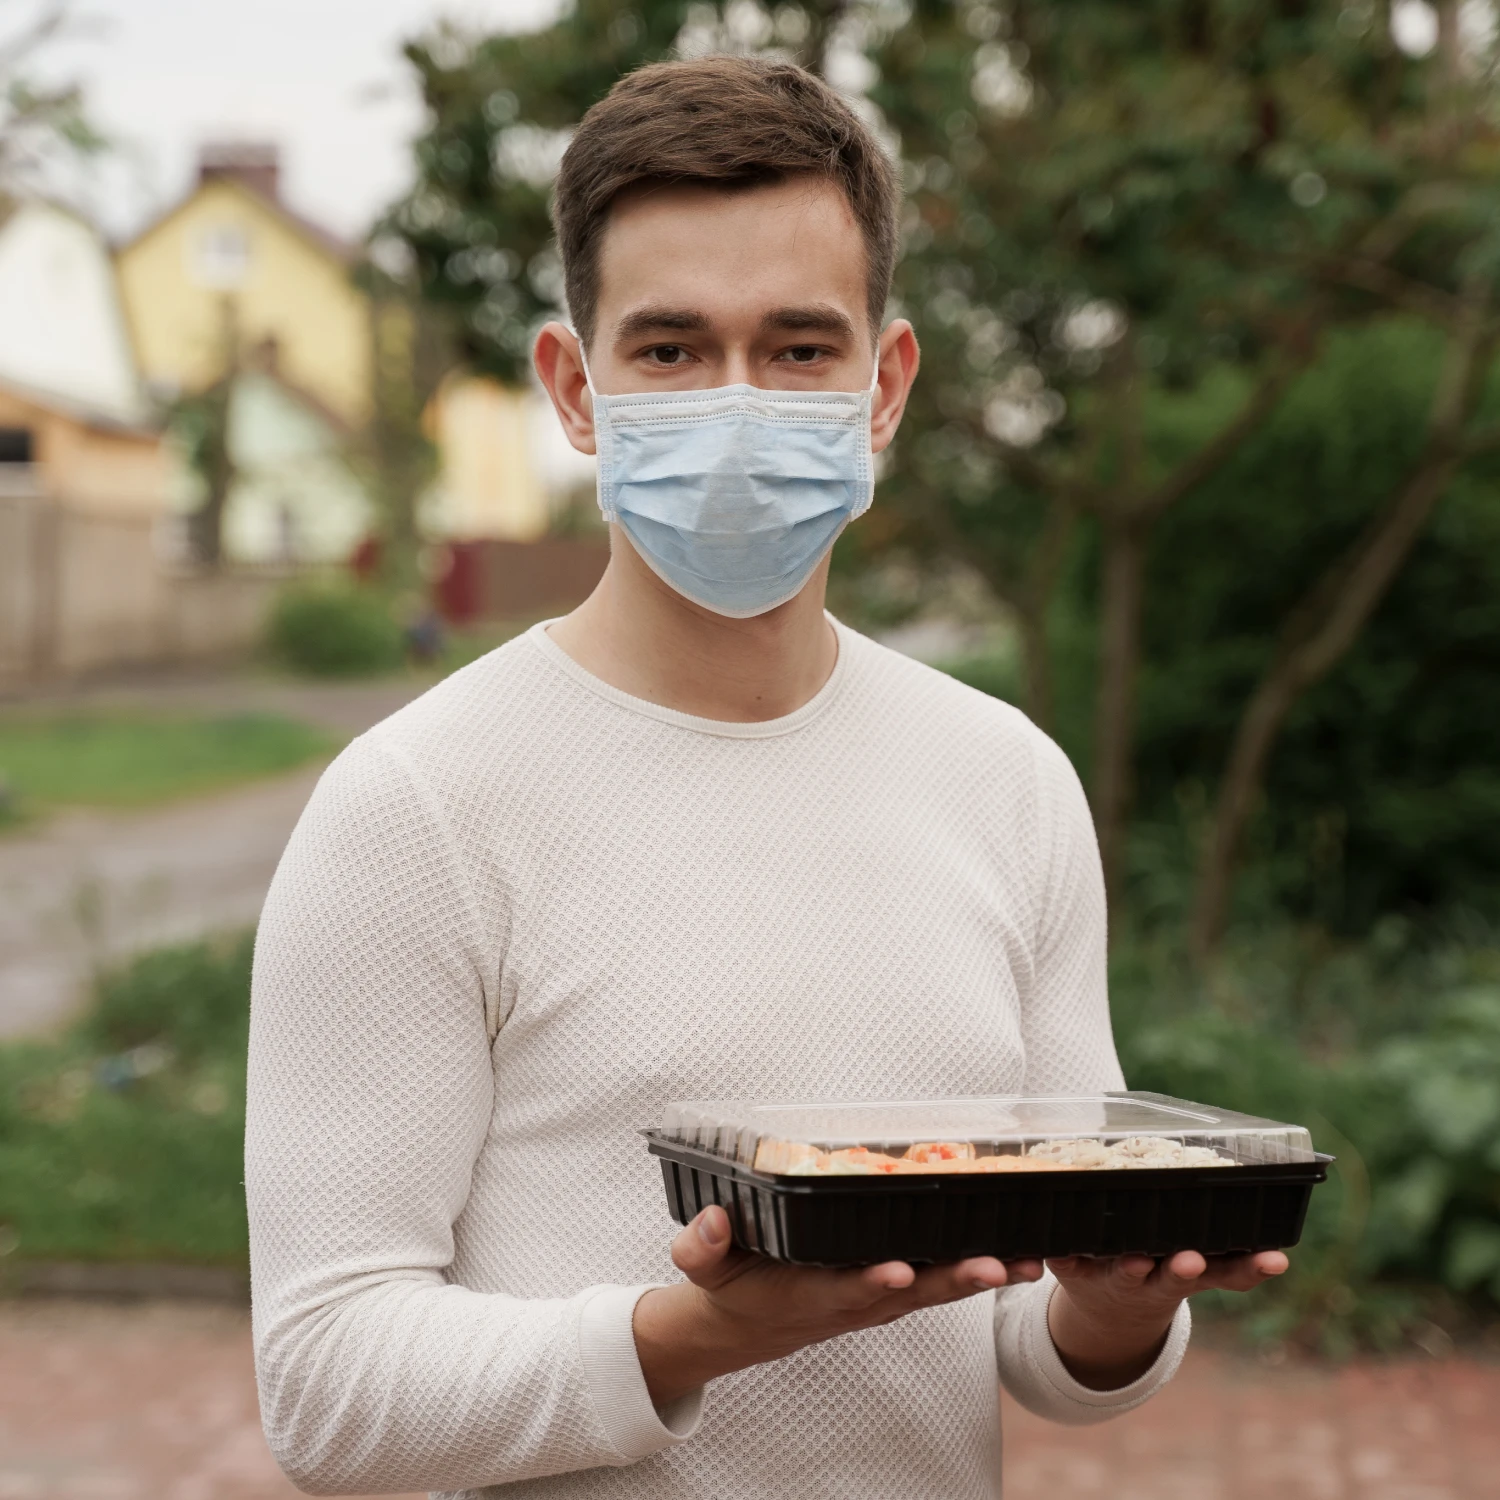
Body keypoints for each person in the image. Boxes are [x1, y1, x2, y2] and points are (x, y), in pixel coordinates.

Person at [246, 55, 1287, 1499]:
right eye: (670, 351)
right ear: (575, 386)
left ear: (886, 384)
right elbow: (328, 1389)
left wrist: (1113, 1312)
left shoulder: (1007, 783)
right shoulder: (416, 807)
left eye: (800, 349)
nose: (737, 403)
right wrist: (684, 1340)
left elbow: (1034, 1339)